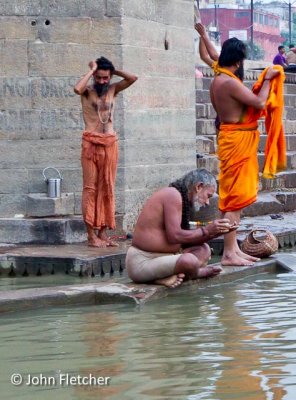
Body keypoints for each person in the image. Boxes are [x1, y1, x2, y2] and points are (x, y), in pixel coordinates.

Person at [211, 38, 281, 266]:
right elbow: (260, 103)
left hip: (234, 138)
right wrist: (268, 80)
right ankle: (229, 253)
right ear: (239, 60)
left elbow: (208, 55)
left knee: (233, 200)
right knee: (234, 201)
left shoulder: (219, 78)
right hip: (236, 140)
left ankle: (232, 249)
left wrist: (202, 35)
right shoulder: (228, 83)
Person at [126, 169, 239, 288]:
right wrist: (207, 230)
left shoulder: (182, 199)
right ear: (199, 187)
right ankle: (195, 273)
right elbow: (174, 236)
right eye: (208, 196)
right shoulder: (172, 195)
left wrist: (216, 232)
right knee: (189, 261)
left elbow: (184, 241)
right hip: (143, 261)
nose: (207, 203)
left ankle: (169, 275)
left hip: (164, 258)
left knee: (204, 250)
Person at [74, 57, 137, 247]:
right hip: (91, 144)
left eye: (105, 78)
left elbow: (133, 78)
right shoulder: (87, 91)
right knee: (90, 189)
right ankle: (91, 235)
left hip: (110, 144)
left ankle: (103, 234)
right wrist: (92, 70)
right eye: (99, 78)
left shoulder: (112, 89)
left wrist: (114, 70)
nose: (102, 81)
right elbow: (77, 88)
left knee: (107, 188)